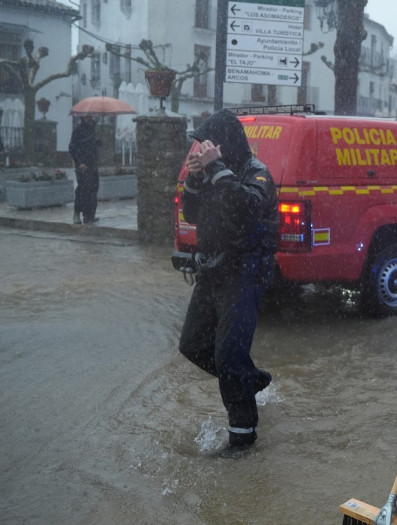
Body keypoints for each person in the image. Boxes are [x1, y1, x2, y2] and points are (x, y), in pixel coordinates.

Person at [177, 109, 279, 458]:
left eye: (209, 145)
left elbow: (245, 207)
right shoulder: (212, 173)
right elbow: (192, 214)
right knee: (192, 344)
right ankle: (249, 379)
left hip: (245, 272)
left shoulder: (257, 173)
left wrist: (217, 169)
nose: (203, 151)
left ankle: (243, 438)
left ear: (226, 144)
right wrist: (193, 180)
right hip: (212, 271)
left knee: (229, 356)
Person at [68, 115, 100, 224]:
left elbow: (92, 147)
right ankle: (77, 213)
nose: (89, 118)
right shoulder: (78, 130)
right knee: (82, 190)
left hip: (92, 165)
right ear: (82, 117)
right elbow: (73, 148)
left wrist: (97, 143)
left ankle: (89, 214)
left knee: (93, 189)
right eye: (87, 116)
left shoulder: (92, 128)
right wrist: (80, 162)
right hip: (82, 166)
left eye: (90, 116)